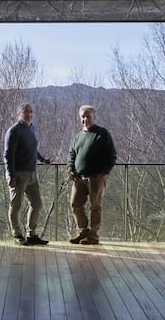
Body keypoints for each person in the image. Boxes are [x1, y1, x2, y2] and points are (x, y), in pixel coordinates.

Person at [67, 104, 117, 245]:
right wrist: (70, 168)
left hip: (96, 177)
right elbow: (72, 154)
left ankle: (93, 236)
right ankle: (82, 231)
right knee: (75, 205)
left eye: (88, 116)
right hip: (79, 178)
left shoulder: (102, 134)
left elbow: (111, 155)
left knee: (96, 207)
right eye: (83, 117)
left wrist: (105, 172)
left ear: (94, 117)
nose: (85, 119)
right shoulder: (78, 136)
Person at [3, 103, 50, 246]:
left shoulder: (32, 128)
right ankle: (17, 234)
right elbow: (7, 155)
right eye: (25, 112)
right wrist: (11, 175)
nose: (29, 114)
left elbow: (33, 149)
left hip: (32, 173)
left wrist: (42, 159)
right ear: (18, 113)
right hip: (18, 174)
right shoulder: (14, 131)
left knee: (37, 203)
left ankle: (32, 234)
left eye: (31, 111)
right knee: (15, 206)